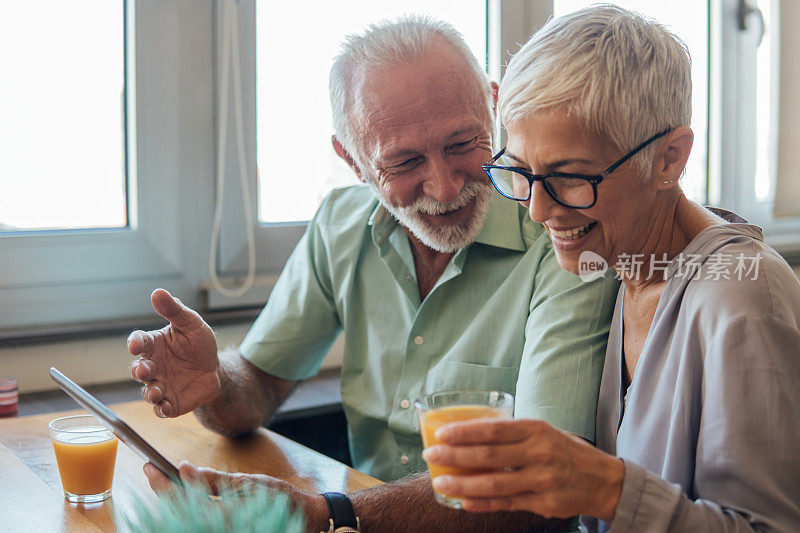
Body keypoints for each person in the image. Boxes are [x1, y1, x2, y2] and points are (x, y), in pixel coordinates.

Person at [128, 15, 619, 532]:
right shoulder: (341, 224)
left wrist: (335, 514)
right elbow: (258, 385)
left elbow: (548, 481)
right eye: (405, 162)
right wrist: (216, 383)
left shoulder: (564, 236)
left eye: (461, 145)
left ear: (492, 108)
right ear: (353, 160)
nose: (445, 187)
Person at [420, 5, 800, 532]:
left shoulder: (742, 298)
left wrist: (606, 488)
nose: (538, 210)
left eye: (571, 177)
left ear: (669, 158)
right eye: (520, 172)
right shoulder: (622, 264)